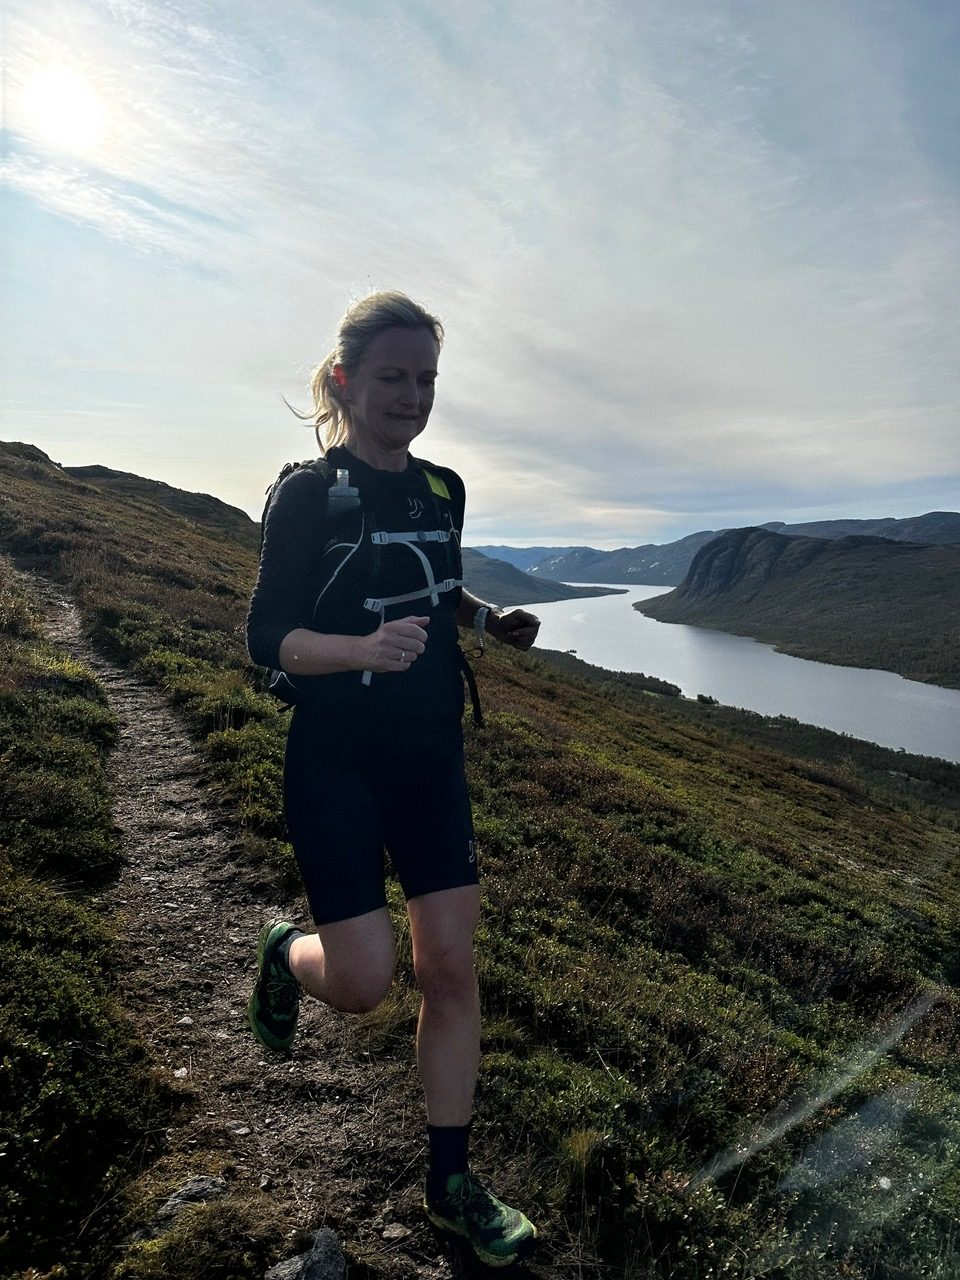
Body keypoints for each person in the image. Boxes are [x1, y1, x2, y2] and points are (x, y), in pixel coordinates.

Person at [245, 291, 541, 1269]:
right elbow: (266, 636)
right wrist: (360, 649)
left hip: (429, 760)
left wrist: (486, 620)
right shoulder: (307, 496)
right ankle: (286, 950)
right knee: (365, 982)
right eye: (392, 377)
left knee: (450, 968)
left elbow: (437, 584)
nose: (412, 397)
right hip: (335, 760)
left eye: (426, 379)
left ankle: (451, 1185)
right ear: (344, 381)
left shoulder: (443, 489)